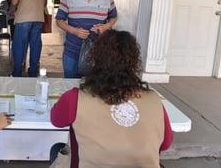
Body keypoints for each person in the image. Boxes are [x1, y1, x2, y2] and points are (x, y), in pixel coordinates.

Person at [50, 30, 174, 167]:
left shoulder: (74, 98)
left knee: (57, 149)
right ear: (134, 62)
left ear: (95, 59)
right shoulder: (154, 100)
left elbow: (56, 120)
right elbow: (165, 143)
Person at [55, 0, 117, 78]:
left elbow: (113, 17)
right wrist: (74, 31)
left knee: (96, 87)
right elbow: (59, 21)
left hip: (99, 52)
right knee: (70, 84)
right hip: (72, 51)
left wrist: (105, 27)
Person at [10, 0, 47, 77]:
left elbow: (15, 1)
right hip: (39, 18)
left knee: (19, 45)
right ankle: (32, 73)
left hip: (24, 19)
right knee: (35, 45)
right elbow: (45, 2)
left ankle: (17, 73)